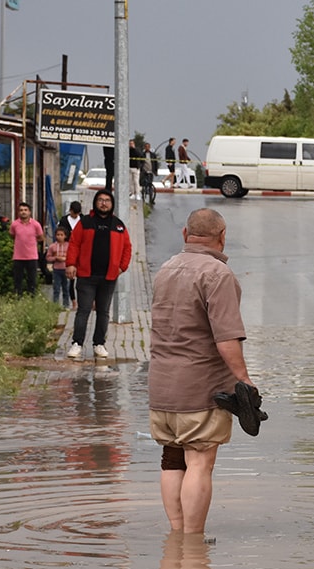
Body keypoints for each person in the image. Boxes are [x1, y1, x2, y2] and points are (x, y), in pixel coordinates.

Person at [149, 207, 257, 534]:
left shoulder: (165, 268)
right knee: (199, 462)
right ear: (222, 238)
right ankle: (193, 541)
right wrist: (245, 380)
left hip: (161, 387)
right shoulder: (217, 274)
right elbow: (226, 339)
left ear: (185, 235)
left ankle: (177, 537)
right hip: (201, 389)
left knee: (171, 459)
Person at [65, 189, 132, 359]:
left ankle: (99, 344)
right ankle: (77, 343)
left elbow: (127, 248)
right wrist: (71, 264)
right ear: (95, 202)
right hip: (86, 275)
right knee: (84, 310)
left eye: (107, 200)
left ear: (112, 204)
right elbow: (74, 243)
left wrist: (121, 267)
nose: (104, 203)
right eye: (100, 200)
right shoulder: (85, 222)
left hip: (108, 277)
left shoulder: (118, 225)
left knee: (103, 312)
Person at [9, 202, 43, 296]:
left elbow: (40, 237)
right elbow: (12, 235)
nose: (23, 212)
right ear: (18, 212)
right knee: (17, 279)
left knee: (32, 279)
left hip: (31, 256)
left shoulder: (36, 225)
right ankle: (17, 297)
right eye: (21, 210)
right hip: (18, 256)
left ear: (29, 212)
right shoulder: (14, 224)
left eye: (25, 210)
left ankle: (32, 298)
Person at [56, 201, 83, 309]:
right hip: (68, 249)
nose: (75, 216)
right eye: (73, 213)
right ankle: (73, 301)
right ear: (70, 211)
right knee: (70, 277)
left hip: (81, 250)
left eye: (77, 214)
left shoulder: (83, 220)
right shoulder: (63, 220)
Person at [47, 226, 72, 308]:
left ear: (65, 236)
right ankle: (55, 305)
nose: (59, 236)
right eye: (58, 235)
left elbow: (72, 257)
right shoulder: (52, 246)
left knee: (66, 288)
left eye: (61, 235)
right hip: (56, 269)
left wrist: (66, 259)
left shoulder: (69, 246)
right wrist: (56, 258)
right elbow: (48, 257)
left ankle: (66, 305)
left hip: (66, 269)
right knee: (56, 288)